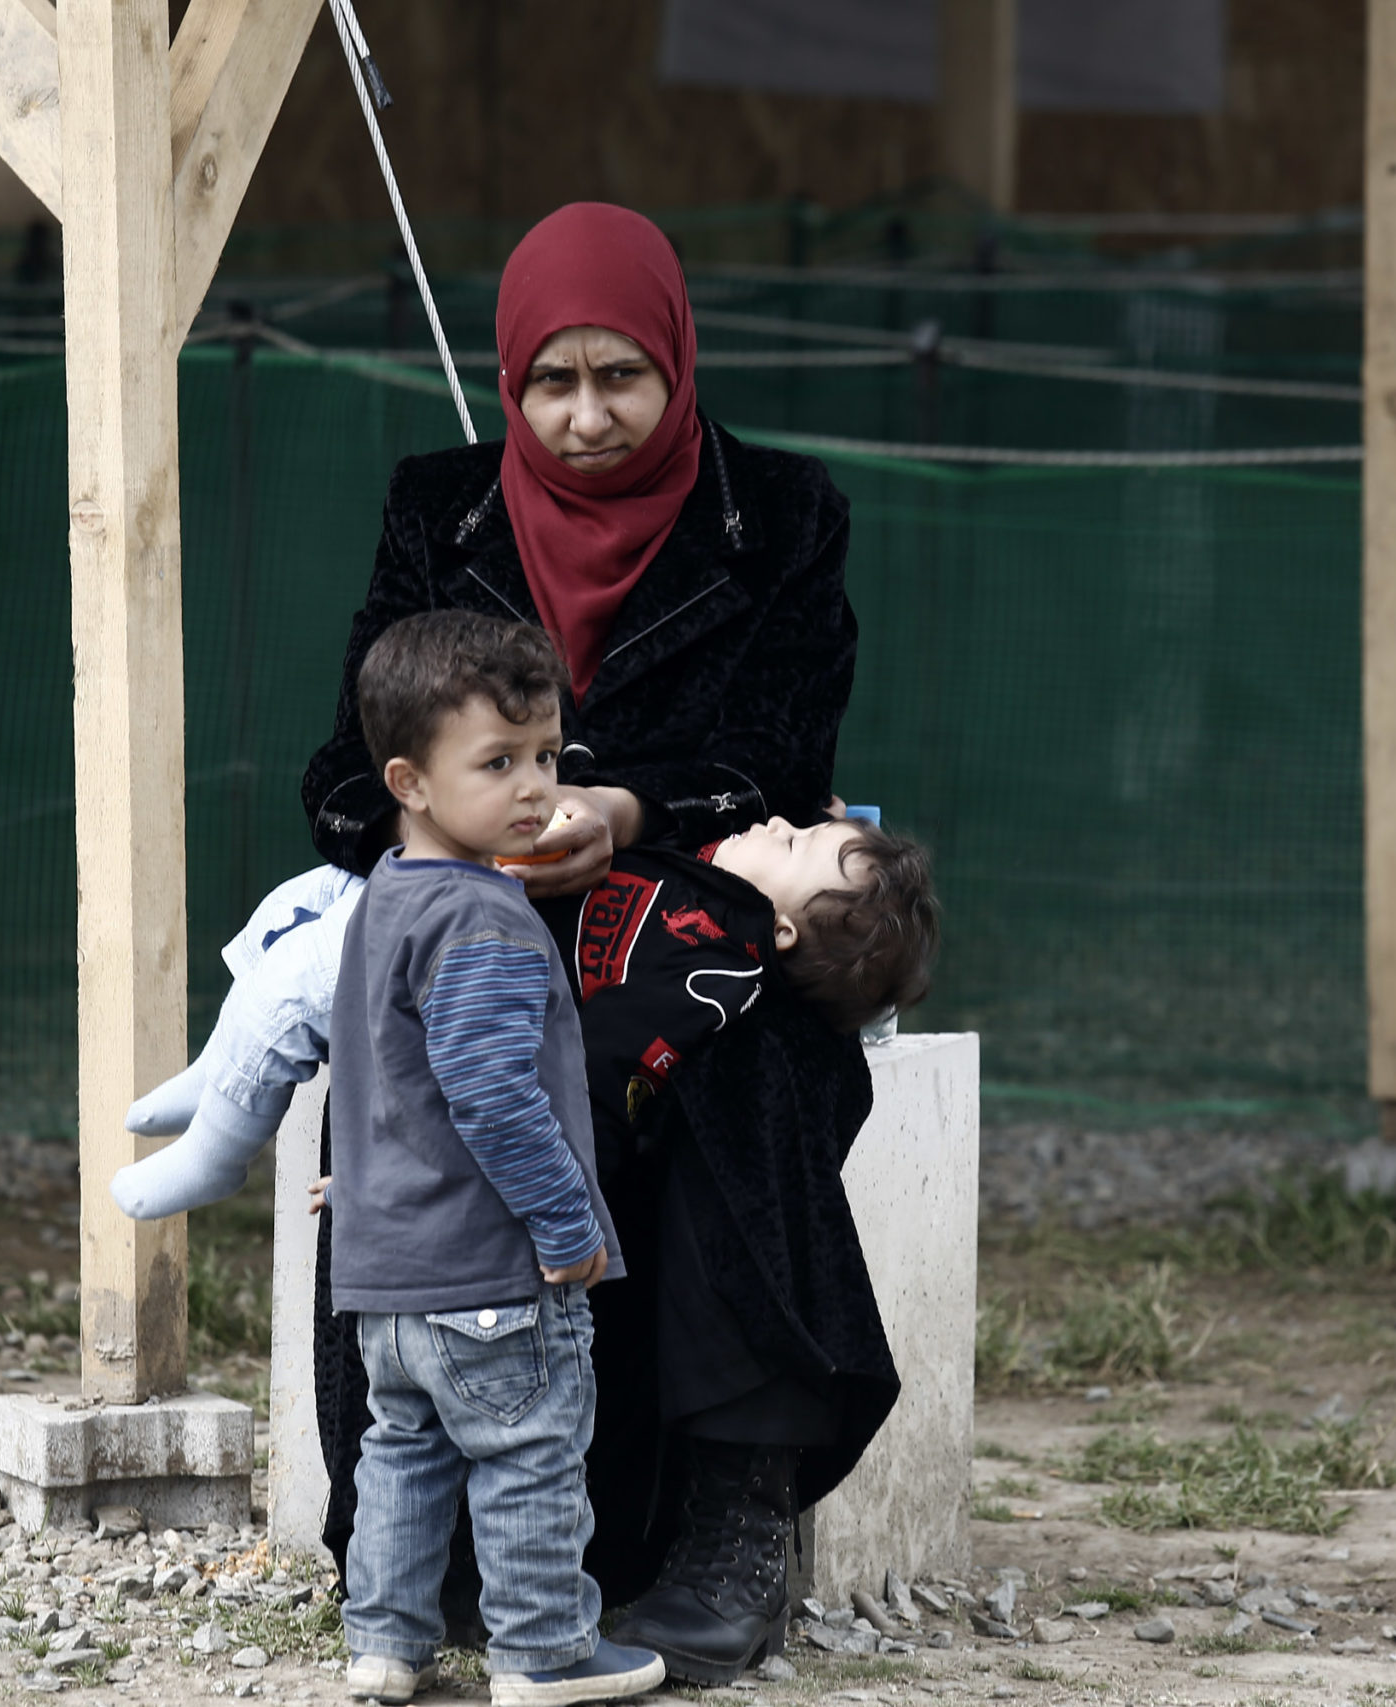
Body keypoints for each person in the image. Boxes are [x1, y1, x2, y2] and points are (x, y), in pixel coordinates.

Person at [299, 199, 897, 1687]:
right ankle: (416, 1549)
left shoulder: (785, 513)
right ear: (508, 380)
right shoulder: (437, 508)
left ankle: (732, 1517)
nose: (581, 417)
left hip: (689, 909)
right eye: (549, 382)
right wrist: (471, 844)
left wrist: (623, 808)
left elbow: (779, 746)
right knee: (441, 1053)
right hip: (489, 917)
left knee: (756, 1070)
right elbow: (345, 768)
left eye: (619, 376)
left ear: (678, 363)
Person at [324, 608, 665, 1707]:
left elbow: (385, 1078)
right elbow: (486, 1095)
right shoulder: (485, 921)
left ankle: (382, 1644)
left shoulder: (384, 897)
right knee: (527, 1456)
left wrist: (360, 1182)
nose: (536, 788)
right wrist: (570, 1227)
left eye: (549, 757)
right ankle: (544, 1653)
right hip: (491, 1272)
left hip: (388, 1276)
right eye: (498, 762)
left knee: (405, 1455)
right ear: (408, 781)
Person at [110, 810, 939, 1222]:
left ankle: (221, 1149)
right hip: (456, 901)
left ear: (784, 926)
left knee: (299, 979)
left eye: (795, 844)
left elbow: (602, 1079)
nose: (776, 821)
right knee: (317, 892)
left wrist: (416, 1168)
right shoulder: (711, 880)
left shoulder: (714, 969)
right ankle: (224, 1074)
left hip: (463, 972)